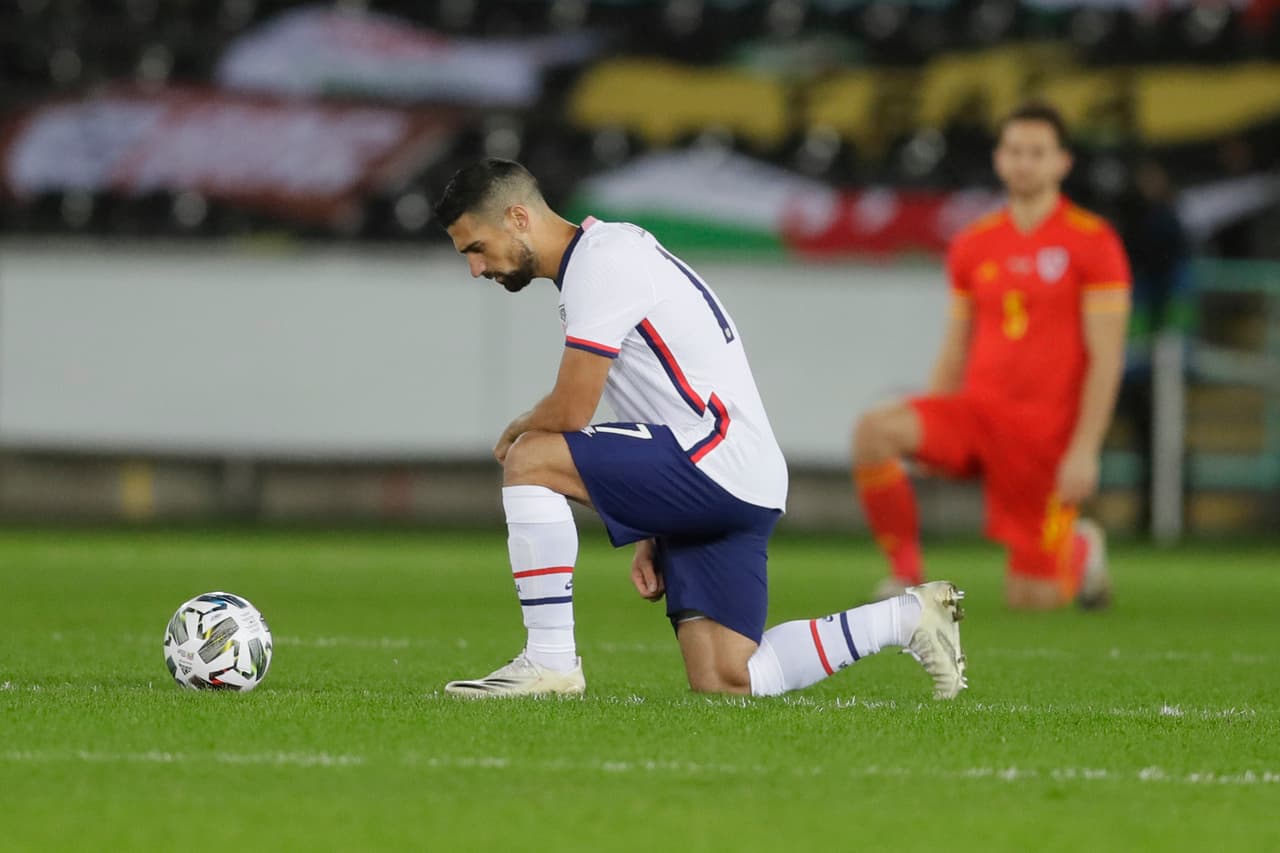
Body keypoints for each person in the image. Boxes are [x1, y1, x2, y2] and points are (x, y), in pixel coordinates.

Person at [434, 158, 966, 699]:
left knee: (530, 457)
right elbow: (647, 400)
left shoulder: (600, 261)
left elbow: (572, 411)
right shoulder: (605, 255)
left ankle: (549, 663)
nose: (476, 268)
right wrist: (649, 522)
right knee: (726, 677)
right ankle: (908, 617)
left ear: (518, 218)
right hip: (740, 473)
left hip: (711, 459)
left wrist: (519, 427)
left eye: (476, 247)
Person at [852, 103, 1131, 611]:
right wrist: (937, 414)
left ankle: (1080, 546)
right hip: (977, 416)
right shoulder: (974, 243)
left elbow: (1107, 356)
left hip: (1043, 437)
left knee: (1032, 600)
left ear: (1062, 162)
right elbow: (956, 343)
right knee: (874, 431)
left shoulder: (1094, 242)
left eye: (1037, 153)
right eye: (1015, 151)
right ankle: (906, 577)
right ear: (1000, 160)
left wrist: (1085, 449)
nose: (1024, 163)